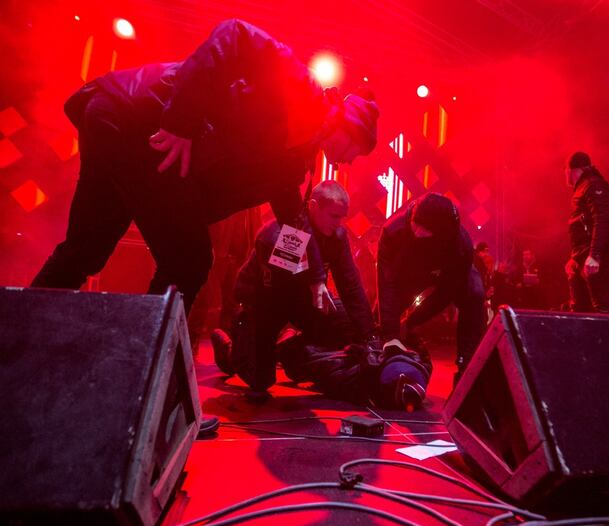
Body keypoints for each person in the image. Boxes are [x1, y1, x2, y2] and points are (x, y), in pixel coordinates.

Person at [30, 19, 379, 315]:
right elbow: (234, 33)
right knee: (189, 259)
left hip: (117, 124)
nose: (350, 160)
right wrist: (180, 122)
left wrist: (315, 278)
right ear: (347, 126)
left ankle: (17, 342)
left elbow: (293, 217)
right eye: (356, 150)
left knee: (84, 250)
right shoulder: (300, 86)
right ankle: (147, 357)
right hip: (137, 121)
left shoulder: (295, 159)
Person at [212, 181, 430, 409]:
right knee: (260, 382)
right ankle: (230, 353)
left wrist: (370, 338)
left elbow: (351, 286)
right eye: (333, 216)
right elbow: (280, 290)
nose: (338, 223)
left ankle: (292, 349)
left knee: (350, 324)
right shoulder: (283, 233)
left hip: (303, 302)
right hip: (264, 304)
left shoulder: (337, 236)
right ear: (313, 206)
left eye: (342, 217)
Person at [377, 192, 486, 384]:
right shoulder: (393, 232)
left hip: (446, 272)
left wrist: (413, 320)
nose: (417, 232)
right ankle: (379, 358)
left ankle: (467, 369)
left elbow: (445, 294)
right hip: (409, 272)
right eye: (415, 224)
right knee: (382, 321)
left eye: (425, 229)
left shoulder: (461, 247)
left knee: (475, 295)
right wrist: (390, 334)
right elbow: (387, 286)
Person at [564, 151, 609, 313]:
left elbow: (602, 220)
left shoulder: (594, 186)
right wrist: (575, 258)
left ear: (571, 170)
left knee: (604, 306)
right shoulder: (583, 188)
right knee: (580, 308)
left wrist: (595, 255)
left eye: (565, 171)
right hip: (583, 257)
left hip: (594, 258)